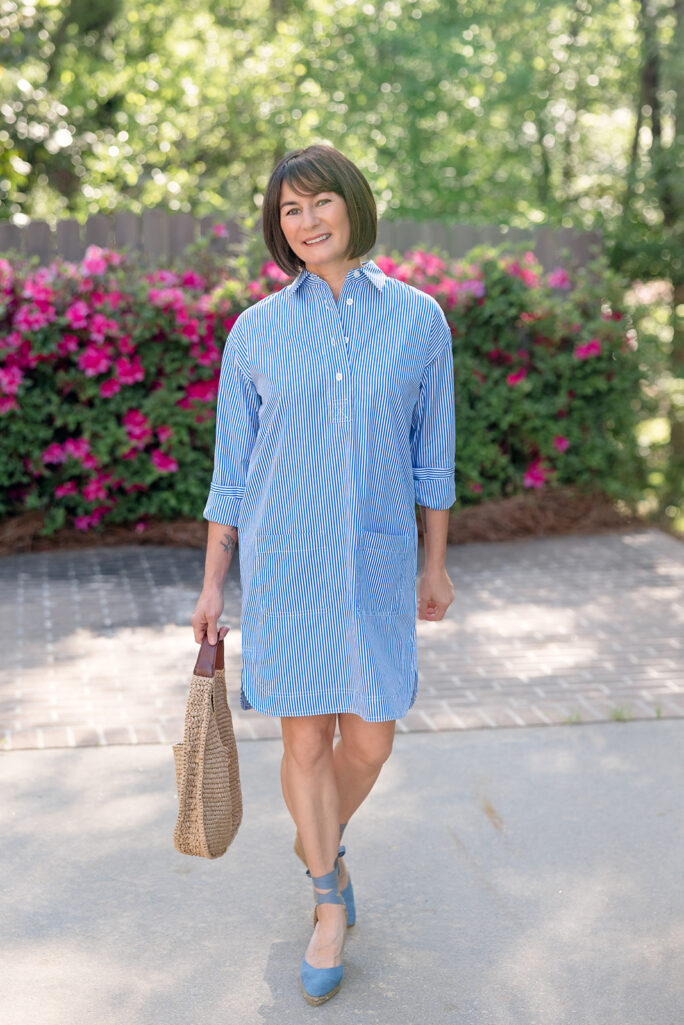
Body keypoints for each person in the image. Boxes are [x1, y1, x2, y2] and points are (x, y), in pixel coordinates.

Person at [191, 143, 456, 1005]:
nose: (305, 223)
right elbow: (232, 471)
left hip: (378, 561)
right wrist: (211, 584)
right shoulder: (255, 330)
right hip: (286, 564)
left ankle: (319, 837)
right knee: (304, 738)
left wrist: (437, 564)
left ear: (354, 205)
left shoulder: (420, 320)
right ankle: (325, 896)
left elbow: (434, 454)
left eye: (319, 204)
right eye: (289, 212)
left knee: (370, 738)